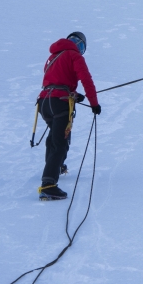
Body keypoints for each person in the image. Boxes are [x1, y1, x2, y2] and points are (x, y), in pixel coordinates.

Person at [36, 31, 100, 200]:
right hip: (59, 102)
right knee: (60, 142)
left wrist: (74, 94)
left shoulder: (53, 57)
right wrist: (94, 103)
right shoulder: (75, 56)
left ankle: (54, 167)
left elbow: (56, 79)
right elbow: (86, 79)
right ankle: (49, 184)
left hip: (44, 102)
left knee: (55, 137)